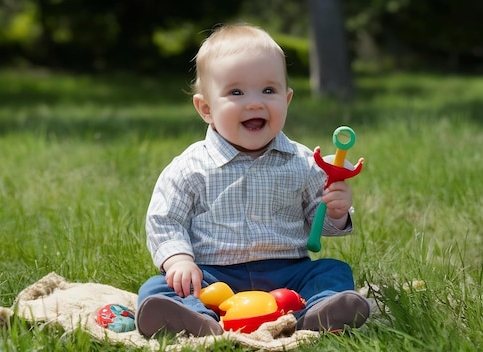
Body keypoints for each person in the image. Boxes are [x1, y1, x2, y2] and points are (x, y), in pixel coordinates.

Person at [136, 23, 370, 338]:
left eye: (268, 90)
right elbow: (166, 219)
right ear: (206, 108)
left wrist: (337, 212)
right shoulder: (190, 167)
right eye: (236, 92)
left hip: (287, 272)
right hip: (214, 277)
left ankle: (320, 310)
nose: (255, 102)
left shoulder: (301, 163)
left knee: (332, 270)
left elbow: (318, 223)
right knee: (159, 285)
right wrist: (178, 260)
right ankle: (195, 317)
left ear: (287, 100)